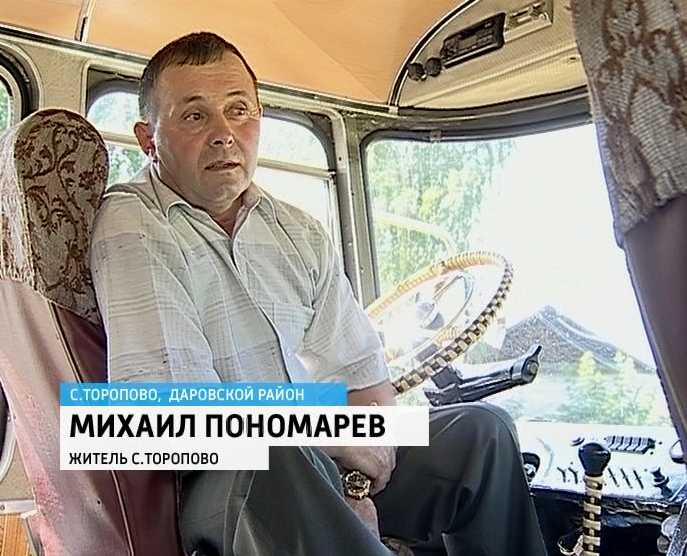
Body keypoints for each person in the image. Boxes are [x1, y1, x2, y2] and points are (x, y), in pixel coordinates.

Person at [90, 32, 548, 556]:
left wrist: (354, 480)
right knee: (277, 456)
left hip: (313, 453)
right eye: (195, 116)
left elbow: (362, 377)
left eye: (239, 110)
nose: (224, 134)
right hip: (221, 482)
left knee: (481, 432)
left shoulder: (297, 232)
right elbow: (171, 416)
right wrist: (332, 441)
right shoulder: (132, 222)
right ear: (148, 140)